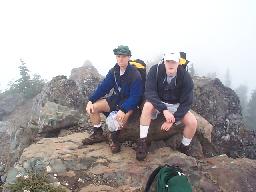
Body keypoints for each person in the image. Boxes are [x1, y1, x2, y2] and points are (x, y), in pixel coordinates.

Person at [81, 45, 143, 154]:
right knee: (93, 108)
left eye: (123, 56)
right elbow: (103, 87)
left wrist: (124, 109)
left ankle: (114, 138)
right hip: (116, 99)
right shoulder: (114, 71)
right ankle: (98, 133)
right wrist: (91, 100)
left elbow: (135, 97)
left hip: (129, 102)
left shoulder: (135, 74)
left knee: (116, 121)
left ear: (129, 57)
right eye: (118, 56)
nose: (120, 59)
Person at [136, 52, 197, 161]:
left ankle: (184, 147)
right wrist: (163, 110)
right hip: (158, 102)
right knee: (147, 107)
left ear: (178, 63)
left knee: (192, 122)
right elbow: (150, 92)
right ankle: (142, 142)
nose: (170, 64)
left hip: (175, 104)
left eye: (173, 61)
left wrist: (173, 120)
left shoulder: (185, 77)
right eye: (168, 61)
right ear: (164, 62)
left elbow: (187, 102)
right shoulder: (155, 70)